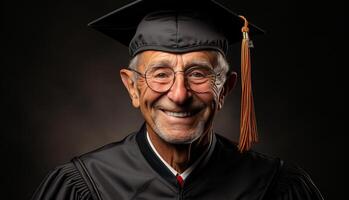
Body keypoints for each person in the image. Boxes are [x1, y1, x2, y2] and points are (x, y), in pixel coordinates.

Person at [31, 0, 324, 199]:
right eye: (160, 74)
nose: (179, 94)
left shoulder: (276, 188)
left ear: (225, 88)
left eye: (199, 74)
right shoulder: (83, 187)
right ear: (132, 87)